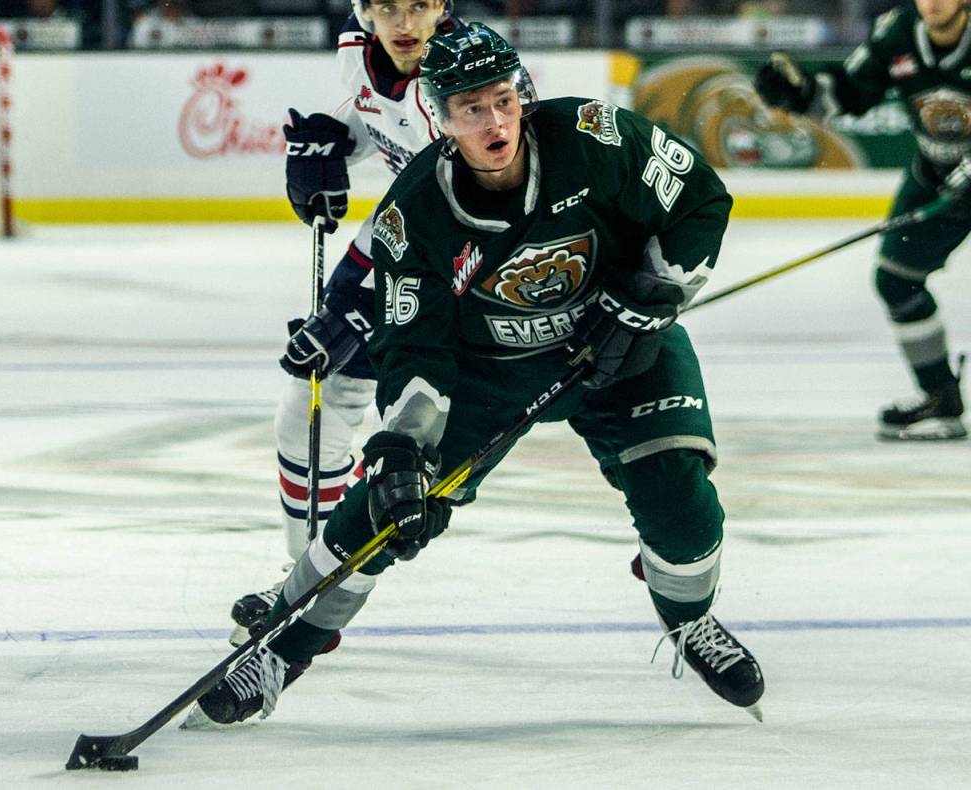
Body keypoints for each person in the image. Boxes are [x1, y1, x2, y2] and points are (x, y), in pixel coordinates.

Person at [188, 21, 765, 727]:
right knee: (380, 507)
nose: (493, 122)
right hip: (487, 370)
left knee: (679, 494)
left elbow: (700, 201)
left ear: (522, 92)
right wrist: (403, 449)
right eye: (470, 109)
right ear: (442, 117)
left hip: (622, 345)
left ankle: (689, 619)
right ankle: (279, 647)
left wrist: (648, 299)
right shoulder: (415, 215)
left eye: (502, 100)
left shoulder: (597, 136)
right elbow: (414, 347)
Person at [226, 0, 458, 647]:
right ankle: (307, 581)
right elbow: (369, 115)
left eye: (418, 4)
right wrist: (326, 144)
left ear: (443, 6)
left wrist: (361, 309)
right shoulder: (361, 52)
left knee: (419, 453)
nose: (403, 21)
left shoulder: (460, 79)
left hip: (474, 275)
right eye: (386, 6)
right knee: (309, 412)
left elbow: (473, 208)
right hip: (401, 239)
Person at [754, 0, 968, 440]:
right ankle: (939, 398)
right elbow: (849, 93)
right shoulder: (899, 31)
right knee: (896, 279)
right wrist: (801, 94)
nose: (932, 3)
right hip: (938, 177)